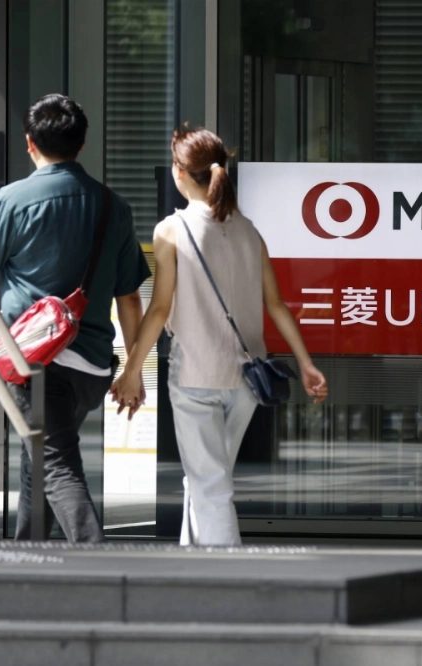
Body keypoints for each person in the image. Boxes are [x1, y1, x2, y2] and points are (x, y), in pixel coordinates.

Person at [0, 94, 151, 542]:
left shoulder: (15, 199)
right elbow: (130, 299)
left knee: (56, 466)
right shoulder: (113, 206)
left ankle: (102, 561)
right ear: (82, 145)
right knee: (37, 461)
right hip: (93, 368)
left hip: (35, 365)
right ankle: (29, 556)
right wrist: (134, 369)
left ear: (29, 143)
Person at [110, 127, 327, 547]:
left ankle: (227, 573)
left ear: (179, 172)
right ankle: (194, 566)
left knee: (210, 486)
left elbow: (158, 310)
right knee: (208, 478)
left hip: (196, 376)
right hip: (246, 380)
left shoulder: (171, 230)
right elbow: (277, 305)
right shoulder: (249, 231)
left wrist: (133, 369)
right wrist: (305, 363)